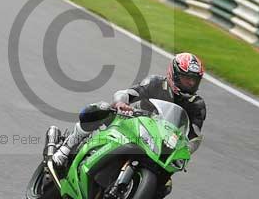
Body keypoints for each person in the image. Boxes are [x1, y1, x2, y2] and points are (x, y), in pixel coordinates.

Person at [51, 53, 208, 170]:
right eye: (186, 78)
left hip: (158, 143)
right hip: (131, 122)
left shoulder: (197, 105)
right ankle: (66, 148)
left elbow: (193, 137)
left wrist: (185, 152)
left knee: (163, 188)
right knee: (102, 109)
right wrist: (120, 103)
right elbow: (127, 93)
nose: (191, 83)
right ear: (173, 74)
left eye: (194, 80)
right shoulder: (156, 83)